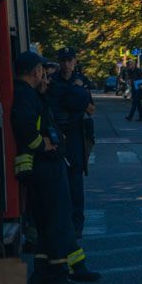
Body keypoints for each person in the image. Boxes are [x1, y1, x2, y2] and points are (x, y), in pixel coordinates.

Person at [12, 51, 99, 284]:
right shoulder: (25, 95)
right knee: (57, 220)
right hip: (43, 166)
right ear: (34, 71)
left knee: (53, 221)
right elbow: (25, 127)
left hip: (48, 165)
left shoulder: (31, 93)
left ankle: (56, 271)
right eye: (42, 70)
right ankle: (58, 273)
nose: (45, 75)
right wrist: (44, 145)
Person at [46, 47, 94, 237]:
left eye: (69, 60)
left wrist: (75, 95)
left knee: (74, 181)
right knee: (56, 180)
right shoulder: (52, 81)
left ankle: (76, 224)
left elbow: (91, 109)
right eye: (63, 60)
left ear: (75, 61)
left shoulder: (81, 81)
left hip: (75, 134)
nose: (66, 64)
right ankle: (60, 221)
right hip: (56, 134)